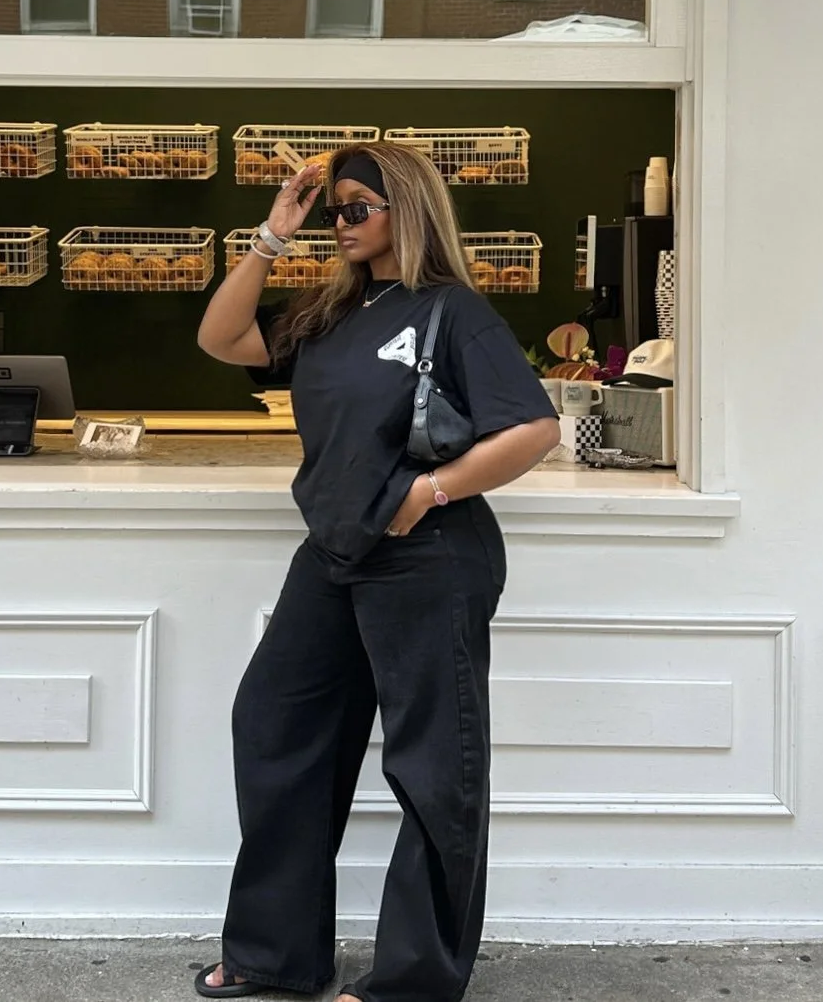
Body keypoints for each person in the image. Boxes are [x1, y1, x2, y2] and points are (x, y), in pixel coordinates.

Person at [195, 141, 560, 1002]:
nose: (340, 222)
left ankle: (411, 981)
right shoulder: (330, 310)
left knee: (434, 764)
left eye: (356, 206)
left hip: (426, 558)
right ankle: (274, 957)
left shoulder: (452, 311)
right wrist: (270, 236)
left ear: (407, 208)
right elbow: (221, 338)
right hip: (332, 552)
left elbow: (531, 428)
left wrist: (431, 489)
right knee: (275, 728)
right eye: (334, 210)